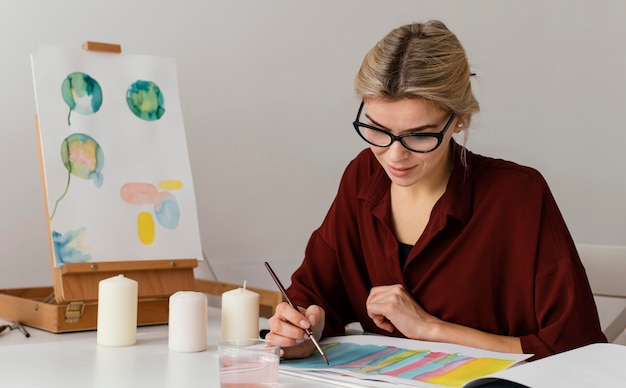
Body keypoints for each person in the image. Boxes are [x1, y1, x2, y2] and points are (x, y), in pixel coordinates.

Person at [266, 19, 606, 361]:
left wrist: (430, 328)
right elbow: (313, 293)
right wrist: (304, 326)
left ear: (458, 119)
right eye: (377, 129)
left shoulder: (519, 197)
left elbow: (577, 349)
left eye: (419, 135)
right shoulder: (363, 175)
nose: (395, 155)